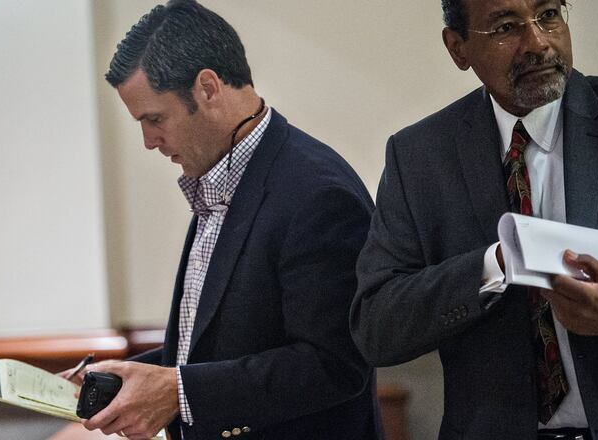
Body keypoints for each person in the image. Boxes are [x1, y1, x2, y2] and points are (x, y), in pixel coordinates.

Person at [62, 1, 381, 439]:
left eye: (155, 119)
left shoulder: (318, 194)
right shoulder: (222, 176)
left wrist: (178, 392)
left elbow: (334, 366)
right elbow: (219, 347)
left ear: (208, 88)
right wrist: (127, 377)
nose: (149, 141)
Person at [351, 0, 598, 439]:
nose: (538, 43)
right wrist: (495, 266)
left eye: (548, 14)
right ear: (458, 48)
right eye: (506, 27)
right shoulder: (419, 157)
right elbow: (377, 327)